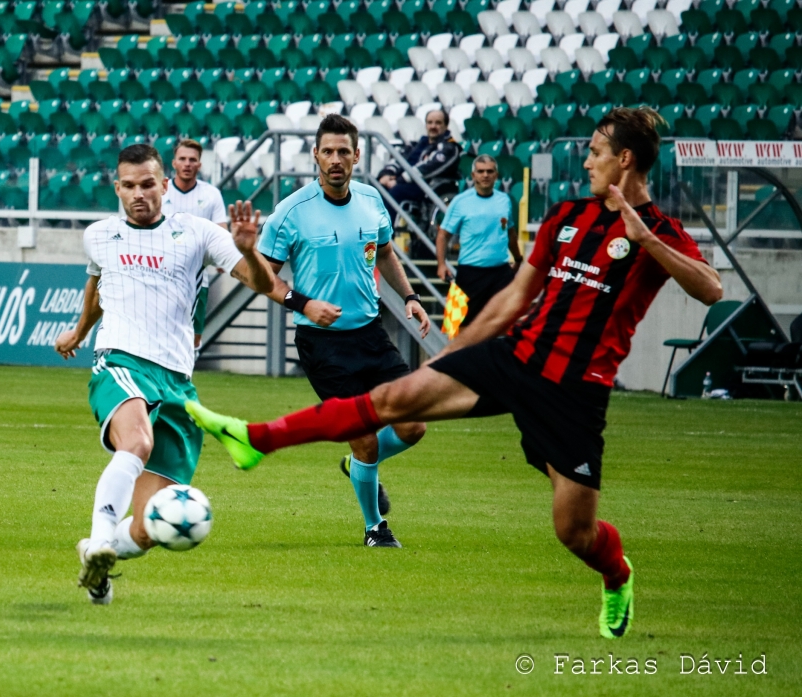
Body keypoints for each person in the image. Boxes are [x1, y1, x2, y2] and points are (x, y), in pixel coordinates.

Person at [186, 108, 723, 638]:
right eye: (326, 151)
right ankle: (257, 439)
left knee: (574, 531)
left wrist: (647, 239)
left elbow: (710, 288)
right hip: (513, 355)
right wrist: (450, 355)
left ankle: (617, 574)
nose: (586, 161)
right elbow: (514, 297)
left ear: (624, 159)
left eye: (595, 152)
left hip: (574, 391)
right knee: (389, 407)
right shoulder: (566, 217)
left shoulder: (658, 232)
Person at [54, 144, 276, 605]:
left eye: (148, 184)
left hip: (177, 382)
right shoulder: (99, 234)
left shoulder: (195, 232)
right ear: (117, 188)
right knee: (137, 441)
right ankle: (98, 539)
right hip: (119, 361)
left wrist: (250, 252)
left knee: (150, 526)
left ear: (165, 186)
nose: (139, 194)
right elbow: (97, 283)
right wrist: (79, 332)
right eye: (129, 186)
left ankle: (99, 562)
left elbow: (259, 282)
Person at [257, 114, 431, 548]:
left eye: (344, 152)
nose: (336, 160)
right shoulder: (292, 211)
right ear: (315, 155)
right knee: (365, 438)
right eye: (328, 151)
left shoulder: (373, 201)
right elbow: (260, 274)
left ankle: (357, 466)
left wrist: (410, 297)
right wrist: (303, 303)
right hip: (322, 346)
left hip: (371, 335)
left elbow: (387, 253)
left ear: (357, 156)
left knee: (414, 426)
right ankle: (375, 527)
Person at [434, 155, 523, 328]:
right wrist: (441, 264)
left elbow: (510, 233)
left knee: (507, 324)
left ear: (496, 175)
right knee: (458, 326)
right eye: (481, 171)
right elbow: (443, 235)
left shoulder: (504, 200)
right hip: (470, 273)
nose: (485, 175)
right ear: (473, 175)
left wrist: (518, 258)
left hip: (500, 273)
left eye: (490, 171)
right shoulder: (460, 202)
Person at [161, 139, 229, 348]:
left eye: (193, 160)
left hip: (197, 278)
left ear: (199, 164)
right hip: (162, 274)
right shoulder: (161, 192)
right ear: (173, 163)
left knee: (193, 339)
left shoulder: (210, 194)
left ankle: (182, 378)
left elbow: (221, 231)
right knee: (161, 334)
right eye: (182, 159)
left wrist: (223, 255)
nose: (187, 164)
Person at [377, 109, 461, 204]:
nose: (433, 126)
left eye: (438, 123)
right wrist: (386, 174)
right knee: (373, 189)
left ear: (445, 126)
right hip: (403, 181)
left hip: (426, 186)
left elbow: (428, 167)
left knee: (396, 191)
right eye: (430, 122)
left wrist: (399, 180)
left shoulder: (449, 147)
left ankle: (385, 219)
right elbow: (397, 159)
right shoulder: (415, 145)